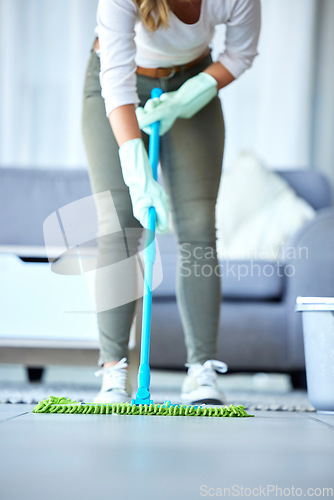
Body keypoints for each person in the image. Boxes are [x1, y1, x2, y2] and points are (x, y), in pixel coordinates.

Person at [82, 0, 261, 405]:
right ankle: (113, 373)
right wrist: (134, 165)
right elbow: (117, 80)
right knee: (122, 225)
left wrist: (194, 92)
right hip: (114, 84)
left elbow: (241, 52)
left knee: (198, 226)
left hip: (194, 79)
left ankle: (202, 371)